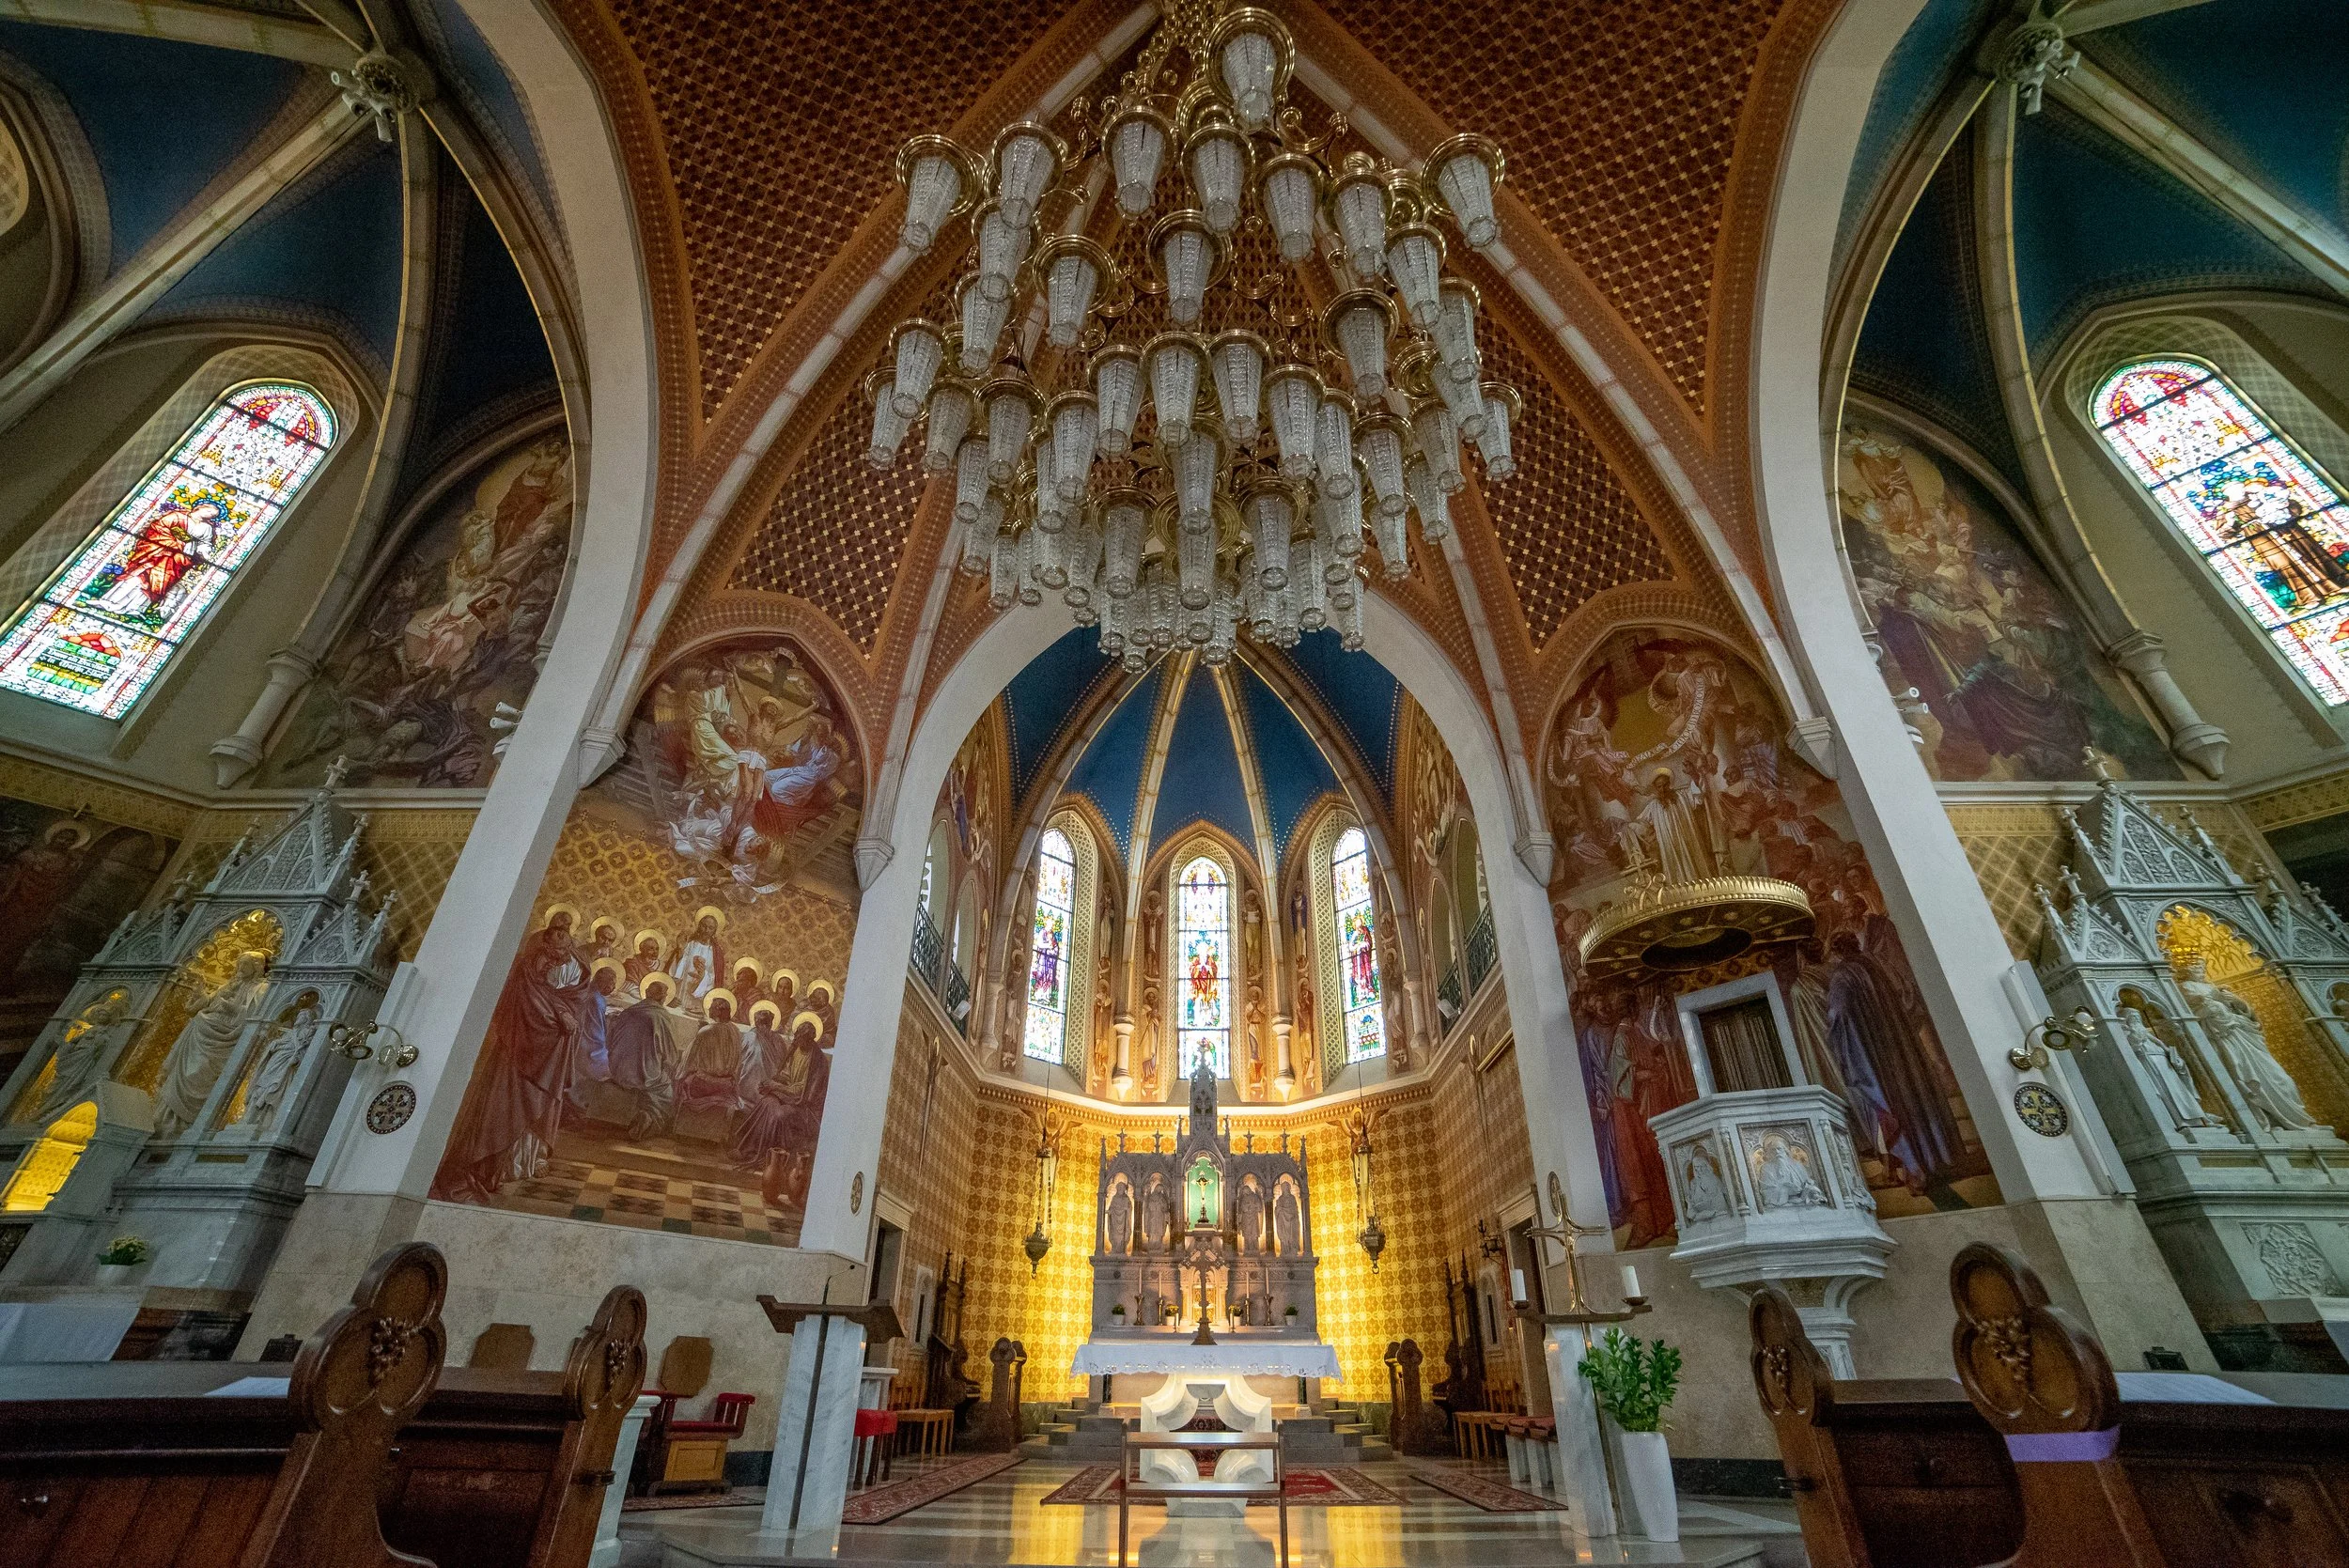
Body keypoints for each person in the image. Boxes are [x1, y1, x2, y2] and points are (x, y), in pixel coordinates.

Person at [434, 909, 589, 1199]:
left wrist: (565, 1014)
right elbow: (531, 996)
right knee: (511, 1099)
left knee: (540, 1098)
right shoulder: (531, 965)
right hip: (525, 1043)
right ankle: (496, 1163)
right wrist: (559, 1013)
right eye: (555, 931)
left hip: (555, 1043)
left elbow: (577, 996)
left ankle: (528, 1160)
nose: (561, 934)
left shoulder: (578, 963)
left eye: (565, 932)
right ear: (545, 937)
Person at [2179, 958, 2320, 1132]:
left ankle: (2299, 1121)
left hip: (2245, 1035)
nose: (2198, 969)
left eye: (2201, 966)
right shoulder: (2186, 986)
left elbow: (2245, 1013)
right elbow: (2201, 1009)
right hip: (2225, 1040)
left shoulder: (2213, 985)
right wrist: (2217, 999)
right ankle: (2265, 1123)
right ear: (2185, 969)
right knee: (2248, 1082)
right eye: (2193, 966)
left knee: (2282, 1079)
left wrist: (2237, 1001)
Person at [153, 952, 271, 1138]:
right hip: (201, 1035)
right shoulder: (229, 986)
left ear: (256, 967)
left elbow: (258, 1016)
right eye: (239, 964)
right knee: (185, 1071)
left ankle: (192, 1127)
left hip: (228, 1040)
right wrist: (200, 993)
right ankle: (167, 1122)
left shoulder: (263, 989)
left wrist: (233, 1009)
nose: (240, 969)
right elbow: (202, 1005)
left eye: (245, 965)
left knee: (200, 1073)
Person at [734, 1012, 832, 1206]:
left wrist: (778, 1087)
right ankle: (752, 1150)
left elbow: (806, 1093)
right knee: (766, 1102)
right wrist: (773, 1082)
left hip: (806, 1108)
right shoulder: (796, 1050)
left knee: (779, 1114)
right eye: (797, 1037)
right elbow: (787, 1074)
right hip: (790, 1096)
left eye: (802, 1039)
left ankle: (771, 1160)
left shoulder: (817, 1061)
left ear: (811, 1039)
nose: (797, 1041)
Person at [83, 500, 225, 625]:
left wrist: (202, 552)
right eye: (209, 511)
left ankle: (136, 609)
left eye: (213, 515)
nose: (210, 515)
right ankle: (108, 602)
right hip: (157, 551)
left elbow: (205, 544)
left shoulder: (207, 528)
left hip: (178, 560)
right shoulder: (177, 516)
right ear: (199, 507)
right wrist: (175, 543)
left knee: (159, 584)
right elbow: (158, 527)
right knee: (138, 576)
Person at [602, 973, 690, 1140]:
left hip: (617, 1069)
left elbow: (610, 1040)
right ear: (662, 997)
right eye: (664, 995)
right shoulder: (662, 1016)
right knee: (666, 1089)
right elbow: (670, 1053)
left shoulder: (629, 1011)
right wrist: (670, 1066)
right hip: (645, 1074)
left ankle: (641, 1116)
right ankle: (650, 1116)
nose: (665, 998)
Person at [33, 989, 132, 1124]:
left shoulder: (105, 1032)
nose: (102, 1016)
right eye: (100, 1013)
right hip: (73, 1059)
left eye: (105, 1014)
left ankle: (57, 1108)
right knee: (55, 1085)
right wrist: (65, 1045)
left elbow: (102, 1046)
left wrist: (93, 1046)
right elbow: (74, 1042)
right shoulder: (91, 1029)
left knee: (71, 1086)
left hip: (85, 1061)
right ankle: (44, 1109)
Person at [238, 990, 322, 1136]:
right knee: (260, 1088)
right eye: (299, 1015)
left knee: (273, 1092)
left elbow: (304, 1050)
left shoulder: (307, 1033)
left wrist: (296, 1057)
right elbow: (277, 1044)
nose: (299, 1018)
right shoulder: (289, 1033)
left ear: (308, 1019)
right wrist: (275, 1045)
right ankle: (248, 1120)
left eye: (303, 1016)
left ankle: (265, 1122)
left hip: (287, 1066)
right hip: (275, 1063)